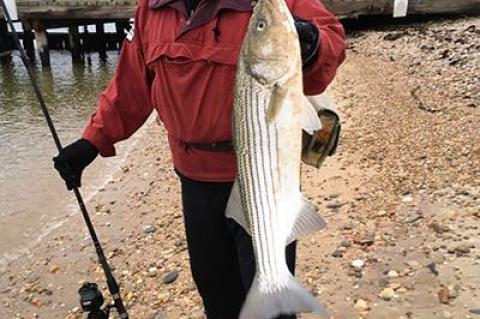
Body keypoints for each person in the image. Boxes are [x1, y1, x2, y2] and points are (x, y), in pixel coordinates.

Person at [53, 0, 346, 318]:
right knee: (217, 294)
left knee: (271, 310)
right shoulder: (151, 10)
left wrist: (313, 42)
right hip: (194, 182)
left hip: (265, 176)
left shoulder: (271, 4)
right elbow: (131, 86)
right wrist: (92, 142)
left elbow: (332, 42)